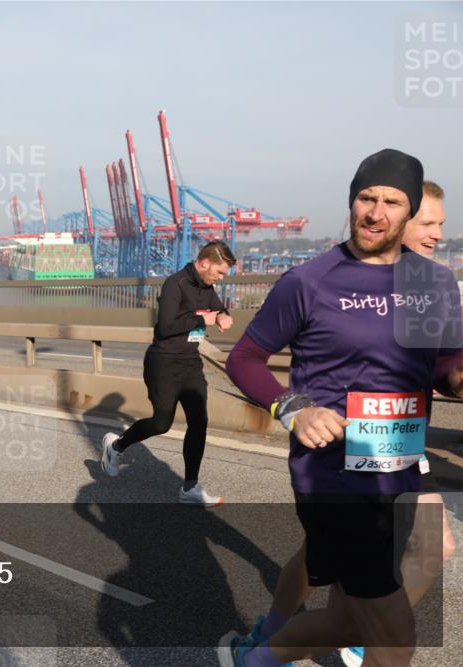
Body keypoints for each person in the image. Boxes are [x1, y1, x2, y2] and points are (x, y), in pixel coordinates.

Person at [220, 149, 463, 667]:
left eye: (391, 202)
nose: (375, 212)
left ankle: (253, 660)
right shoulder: (310, 281)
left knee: (351, 617)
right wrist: (294, 407)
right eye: (365, 198)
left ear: (410, 209)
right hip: (331, 476)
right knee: (395, 637)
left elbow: (440, 367)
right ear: (352, 201)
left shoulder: (432, 282)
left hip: (397, 468)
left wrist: (458, 378)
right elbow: (244, 358)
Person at [99, 239, 235, 505]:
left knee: (199, 422)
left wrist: (222, 316)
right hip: (163, 362)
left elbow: (217, 306)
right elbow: (165, 326)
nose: (220, 278)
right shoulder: (176, 283)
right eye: (219, 272)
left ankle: (190, 488)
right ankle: (116, 446)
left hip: (190, 364)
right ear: (205, 262)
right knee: (162, 423)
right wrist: (201, 319)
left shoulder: (206, 286)